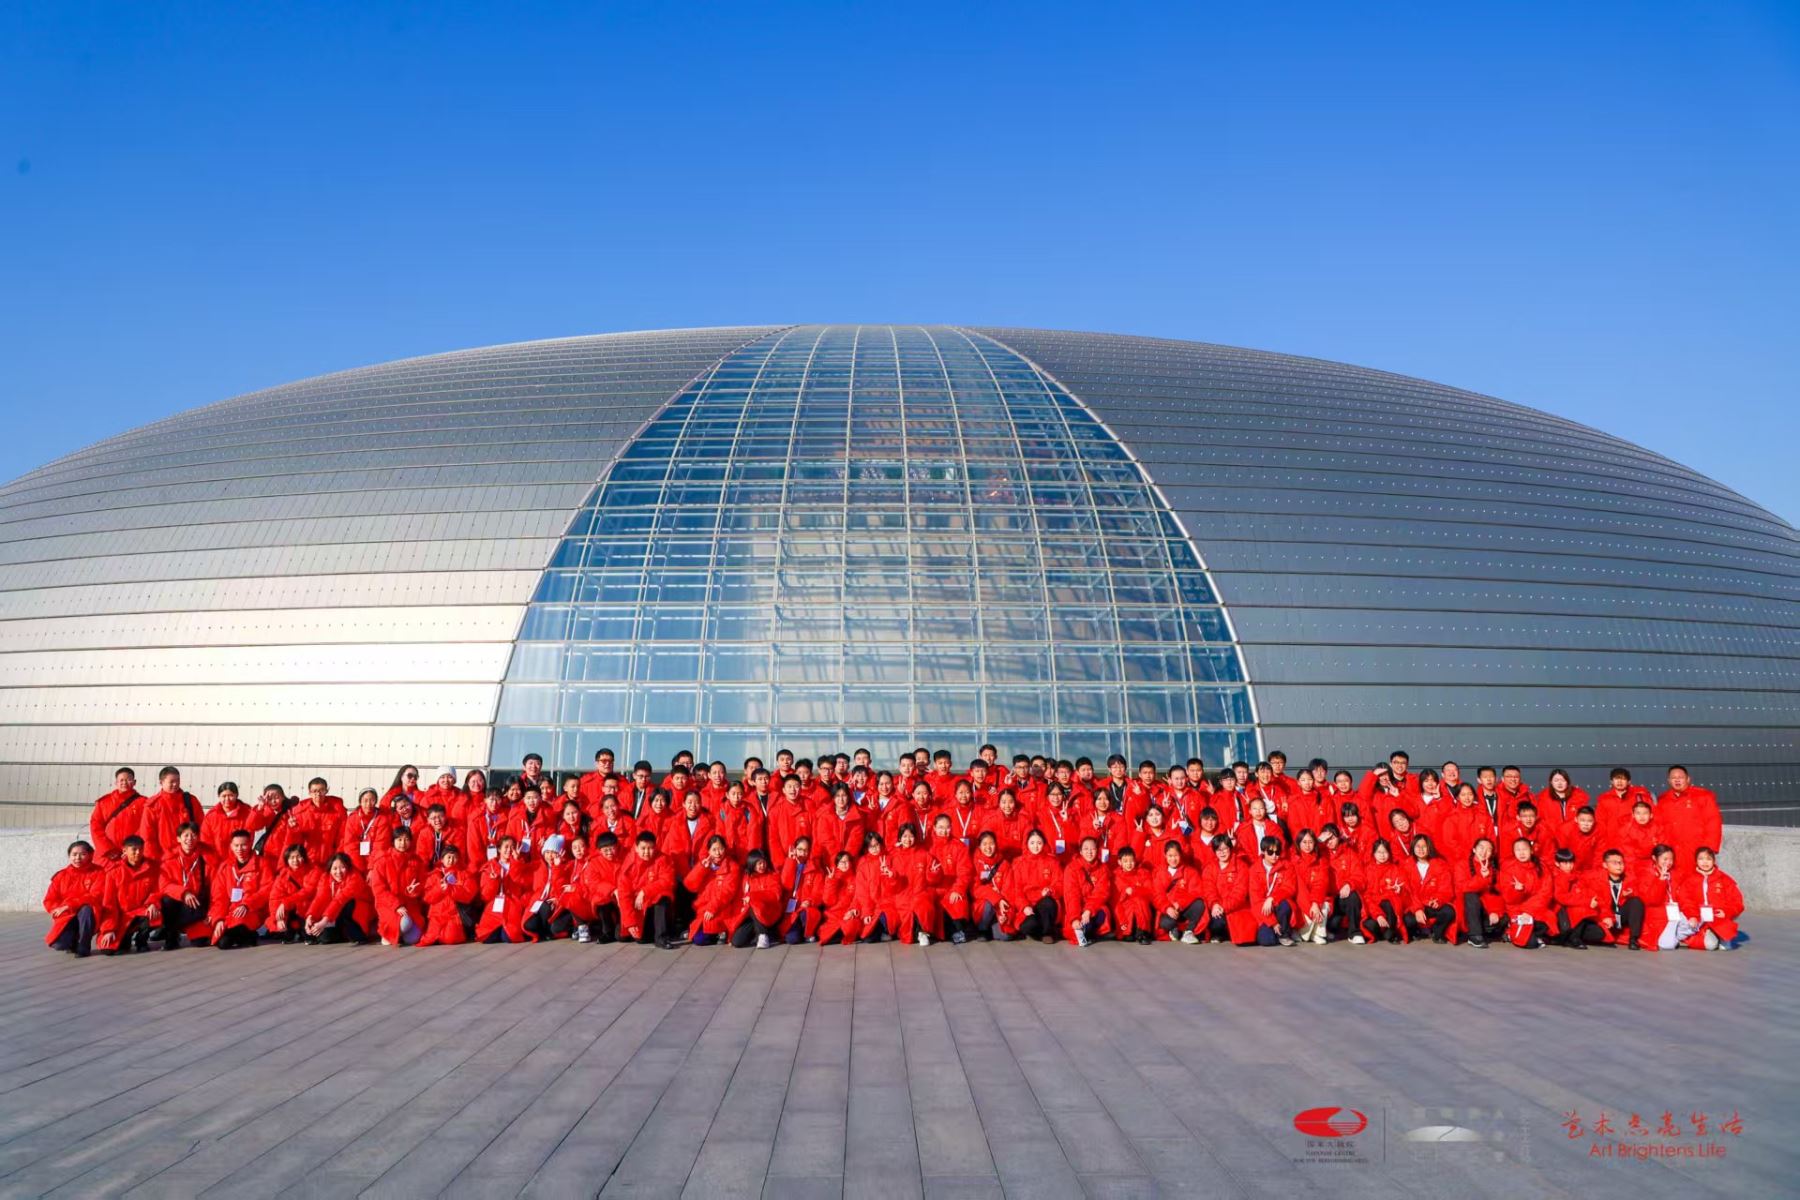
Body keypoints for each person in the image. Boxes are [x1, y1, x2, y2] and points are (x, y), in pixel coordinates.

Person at [94, 835, 160, 954]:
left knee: (156, 913)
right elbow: (109, 903)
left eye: (140, 849)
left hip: (142, 911)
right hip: (121, 917)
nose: (138, 853)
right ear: (124, 850)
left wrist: (153, 903)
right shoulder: (114, 872)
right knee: (108, 950)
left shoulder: (152, 868)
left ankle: (141, 941)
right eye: (134, 849)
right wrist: (108, 929)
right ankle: (126, 936)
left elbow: (157, 890)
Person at [210, 830, 272, 949]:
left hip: (251, 910)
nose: (240, 849)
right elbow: (219, 896)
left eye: (243, 845)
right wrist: (219, 919)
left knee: (225, 941)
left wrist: (247, 904)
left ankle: (246, 934)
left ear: (250, 844)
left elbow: (267, 890)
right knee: (219, 939)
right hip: (230, 912)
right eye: (236, 845)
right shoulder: (225, 867)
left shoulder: (261, 864)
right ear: (231, 846)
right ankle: (247, 936)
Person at [45, 840, 107, 956]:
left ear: (90, 855)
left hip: (89, 914)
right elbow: (50, 899)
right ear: (69, 856)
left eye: (82, 854)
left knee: (87, 909)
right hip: (67, 915)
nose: (78, 858)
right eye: (74, 854)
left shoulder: (99, 872)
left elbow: (95, 895)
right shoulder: (61, 875)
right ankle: (73, 942)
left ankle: (84, 945)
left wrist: (69, 905)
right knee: (59, 944)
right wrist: (57, 910)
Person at [156, 821, 212, 949]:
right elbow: (164, 885)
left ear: (198, 837)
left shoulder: (206, 858)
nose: (189, 839)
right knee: (166, 901)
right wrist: (184, 892)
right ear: (178, 839)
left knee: (200, 942)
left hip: (197, 905)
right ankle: (171, 935)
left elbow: (214, 887)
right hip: (179, 902)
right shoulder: (169, 859)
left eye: (193, 835)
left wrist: (212, 913)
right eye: (186, 835)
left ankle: (191, 927)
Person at [617, 831, 677, 948]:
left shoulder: (663, 859)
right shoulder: (629, 864)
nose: (646, 852)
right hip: (638, 907)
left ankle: (661, 938)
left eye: (650, 848)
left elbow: (668, 881)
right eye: (643, 848)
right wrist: (630, 922)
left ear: (655, 847)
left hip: (654, 903)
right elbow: (624, 895)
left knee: (663, 896)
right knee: (634, 937)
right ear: (636, 848)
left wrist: (645, 891)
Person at [1675, 847, 1743, 950]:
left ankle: (1718, 933)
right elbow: (1685, 900)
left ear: (1714, 861)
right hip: (1697, 916)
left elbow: (1737, 901)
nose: (1705, 862)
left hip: (1717, 918)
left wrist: (1727, 912)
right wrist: (1692, 915)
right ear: (1696, 861)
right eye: (1701, 859)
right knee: (1708, 944)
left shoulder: (1723, 879)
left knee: (1721, 946)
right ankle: (1705, 934)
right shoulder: (1690, 879)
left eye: (1708, 859)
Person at [1002, 830, 1064, 943]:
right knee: (1028, 925)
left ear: (1044, 843)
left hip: (1044, 901)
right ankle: (1039, 931)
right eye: (1032, 843)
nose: (1036, 846)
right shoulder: (1018, 863)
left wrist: (1051, 890)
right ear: (1027, 844)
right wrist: (1024, 906)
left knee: (1048, 903)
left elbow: (1059, 883)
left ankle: (1047, 933)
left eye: (1039, 843)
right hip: (1027, 903)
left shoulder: (1052, 861)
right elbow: (1017, 890)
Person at [370, 826, 428, 945]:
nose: (403, 843)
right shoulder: (383, 861)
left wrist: (415, 890)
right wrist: (396, 905)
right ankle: (387, 933)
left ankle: (396, 934)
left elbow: (422, 883)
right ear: (393, 841)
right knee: (405, 923)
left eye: (406, 839)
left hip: (410, 904)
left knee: (413, 939)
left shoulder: (416, 861)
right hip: (389, 905)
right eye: (399, 840)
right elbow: (379, 889)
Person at [1659, 766, 1722, 869]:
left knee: (1699, 877)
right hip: (1673, 852)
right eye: (1673, 778)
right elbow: (1659, 826)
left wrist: (1709, 849)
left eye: (1680, 777)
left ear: (1688, 779)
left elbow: (1713, 823)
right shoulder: (1663, 800)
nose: (1677, 780)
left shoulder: (1703, 796)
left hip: (1697, 850)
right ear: (1669, 781)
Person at [685, 835, 743, 946]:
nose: (718, 853)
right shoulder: (706, 865)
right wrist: (701, 868)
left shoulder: (732, 867)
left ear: (725, 849)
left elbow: (728, 892)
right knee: (698, 938)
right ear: (709, 851)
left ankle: (721, 932)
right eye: (714, 850)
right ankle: (715, 934)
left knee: (699, 939)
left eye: (720, 849)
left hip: (722, 910)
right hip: (704, 910)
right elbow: (690, 885)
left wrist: (712, 908)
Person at [1497, 838, 1554, 949]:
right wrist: (1518, 891)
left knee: (1549, 920)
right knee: (1529, 943)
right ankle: (1511, 930)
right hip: (1516, 909)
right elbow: (1508, 898)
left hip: (1536, 908)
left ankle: (1515, 931)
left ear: (1531, 850)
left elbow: (1546, 892)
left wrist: (1529, 911)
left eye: (1524, 849)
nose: (1521, 853)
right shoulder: (1508, 868)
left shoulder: (1542, 867)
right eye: (1518, 850)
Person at [305, 853, 374, 944]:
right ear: (330, 869)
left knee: (348, 903)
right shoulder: (325, 877)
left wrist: (324, 921)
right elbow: (319, 898)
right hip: (335, 914)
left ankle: (357, 935)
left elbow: (340, 899)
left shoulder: (355, 877)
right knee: (323, 937)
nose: (338, 872)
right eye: (335, 868)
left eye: (342, 867)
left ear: (348, 867)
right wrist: (310, 916)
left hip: (358, 914)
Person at [476, 836, 533, 944]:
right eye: (506, 847)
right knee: (486, 937)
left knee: (509, 937)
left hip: (513, 904)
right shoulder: (490, 867)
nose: (509, 850)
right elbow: (486, 896)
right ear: (499, 849)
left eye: (512, 847)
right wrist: (493, 881)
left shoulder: (520, 865)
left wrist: (516, 862)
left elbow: (524, 885)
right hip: (495, 904)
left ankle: (505, 930)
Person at [1151, 839, 1208, 943]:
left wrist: (1180, 904)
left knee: (1199, 904)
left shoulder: (1190, 872)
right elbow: (1157, 895)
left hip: (1185, 908)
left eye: (1176, 855)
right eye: (1170, 856)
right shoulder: (1160, 873)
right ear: (1165, 855)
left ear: (1181, 855)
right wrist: (1167, 908)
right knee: (1165, 923)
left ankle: (1189, 931)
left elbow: (1196, 892)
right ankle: (1175, 929)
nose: (1173, 859)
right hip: (1169, 910)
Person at [1205, 837, 1259, 945]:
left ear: (1230, 848)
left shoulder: (1241, 866)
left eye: (1225, 849)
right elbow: (1208, 889)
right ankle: (1219, 933)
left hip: (1235, 908)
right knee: (1215, 923)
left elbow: (1240, 893)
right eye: (1218, 850)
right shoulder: (1210, 868)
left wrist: (1223, 907)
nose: (1222, 853)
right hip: (1216, 908)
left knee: (1243, 933)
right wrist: (1214, 904)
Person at [1405, 834, 1457, 943]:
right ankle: (1416, 932)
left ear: (1429, 847)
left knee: (1449, 911)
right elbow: (1408, 892)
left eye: (1424, 846)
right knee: (1408, 920)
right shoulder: (1407, 865)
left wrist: (1438, 900)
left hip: (1431, 903)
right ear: (1413, 847)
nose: (1421, 849)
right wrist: (1417, 909)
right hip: (1415, 904)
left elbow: (1446, 889)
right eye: (1418, 846)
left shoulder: (1440, 865)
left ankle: (1437, 933)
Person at [1454, 837, 1504, 948]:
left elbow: (1497, 894)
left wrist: (1495, 911)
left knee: (1505, 917)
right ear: (1474, 849)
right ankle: (1474, 935)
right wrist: (1481, 877)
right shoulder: (1462, 865)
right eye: (1481, 847)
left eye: (1488, 849)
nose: (1484, 852)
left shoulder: (1493, 870)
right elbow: (1463, 888)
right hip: (1467, 909)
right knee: (1471, 895)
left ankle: (1487, 930)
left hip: (1486, 909)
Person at [1548, 849, 1604, 949]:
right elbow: (1561, 897)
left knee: (1598, 933)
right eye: (1565, 863)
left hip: (1572, 908)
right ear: (1557, 863)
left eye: (1571, 863)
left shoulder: (1575, 876)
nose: (1569, 866)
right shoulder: (1557, 877)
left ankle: (1573, 936)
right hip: (1559, 910)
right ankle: (1573, 938)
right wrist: (1586, 901)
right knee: (1581, 911)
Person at [1063, 837, 1113, 947]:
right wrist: (1074, 918)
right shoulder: (1071, 868)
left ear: (1097, 851)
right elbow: (1071, 895)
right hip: (1077, 907)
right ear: (1080, 851)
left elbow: (1101, 893)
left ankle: (1091, 931)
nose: (1089, 852)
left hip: (1093, 908)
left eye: (1093, 849)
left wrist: (1088, 910)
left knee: (1103, 912)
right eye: (1086, 849)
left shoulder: (1103, 869)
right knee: (1076, 930)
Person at [1248, 836, 1297, 947]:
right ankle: (1278, 931)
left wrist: (1272, 898)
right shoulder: (1254, 870)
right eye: (1270, 852)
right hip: (1262, 910)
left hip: (1278, 905)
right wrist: (1273, 922)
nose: (1275, 856)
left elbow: (1289, 888)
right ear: (1263, 852)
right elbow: (1256, 900)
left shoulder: (1287, 866)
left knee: (1285, 905)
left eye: (1277, 852)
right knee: (1267, 940)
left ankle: (1284, 934)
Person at [1594, 849, 1648, 950]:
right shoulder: (1597, 880)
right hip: (1605, 918)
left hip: (1620, 916)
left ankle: (1633, 939)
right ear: (1605, 865)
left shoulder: (1629, 879)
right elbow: (1598, 902)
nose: (1619, 865)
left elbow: (1642, 896)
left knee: (1636, 901)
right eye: (1615, 863)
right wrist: (1604, 917)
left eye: (1621, 862)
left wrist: (1630, 894)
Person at [266, 844, 320, 944]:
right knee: (281, 930)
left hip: (310, 909)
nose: (295, 860)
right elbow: (275, 898)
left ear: (304, 857)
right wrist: (278, 919)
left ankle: (301, 931)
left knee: (312, 935)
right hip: (292, 910)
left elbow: (309, 891)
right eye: (291, 858)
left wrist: (286, 902)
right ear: (287, 860)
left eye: (298, 856)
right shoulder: (283, 876)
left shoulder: (314, 870)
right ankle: (293, 931)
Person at [1360, 838, 1410, 945]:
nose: (1382, 855)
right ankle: (1386, 931)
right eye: (1379, 852)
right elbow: (1366, 896)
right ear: (1374, 853)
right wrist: (1378, 914)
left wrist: (1400, 891)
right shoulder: (1368, 870)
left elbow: (1406, 891)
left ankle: (1390, 932)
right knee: (1370, 925)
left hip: (1391, 908)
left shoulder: (1395, 869)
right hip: (1373, 908)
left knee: (1389, 901)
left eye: (1385, 852)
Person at [730, 850, 785, 948]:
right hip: (751, 916)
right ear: (752, 863)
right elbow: (742, 897)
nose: (762, 866)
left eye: (764, 862)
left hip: (769, 912)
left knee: (754, 903)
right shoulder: (747, 878)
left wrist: (753, 896)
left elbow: (776, 894)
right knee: (736, 941)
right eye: (759, 863)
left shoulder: (772, 875)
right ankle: (760, 934)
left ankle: (763, 934)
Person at [88, 769, 145, 863]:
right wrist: (107, 849)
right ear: (116, 782)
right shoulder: (104, 802)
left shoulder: (144, 803)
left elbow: (145, 827)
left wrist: (131, 849)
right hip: (107, 855)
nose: (124, 783)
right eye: (121, 780)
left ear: (134, 782)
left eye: (128, 780)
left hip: (132, 854)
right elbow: (96, 826)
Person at [1290, 830, 1334, 944]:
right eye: (1304, 842)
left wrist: (1315, 903)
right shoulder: (1293, 860)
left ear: (1315, 843)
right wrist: (1310, 906)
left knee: (1324, 906)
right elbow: (1299, 889)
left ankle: (1318, 934)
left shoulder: (1321, 861)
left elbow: (1321, 884)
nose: (1307, 845)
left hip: (1316, 897)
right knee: (1309, 918)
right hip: (1299, 899)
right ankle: (1309, 933)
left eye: (1310, 842)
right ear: (1298, 843)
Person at [1110, 846, 1155, 944]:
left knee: (1140, 901)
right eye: (1125, 861)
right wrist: (1124, 892)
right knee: (1129, 906)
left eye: (1131, 861)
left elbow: (1150, 891)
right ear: (1119, 862)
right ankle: (1128, 932)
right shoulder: (1116, 877)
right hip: (1125, 912)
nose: (1129, 864)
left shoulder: (1143, 873)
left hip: (1141, 909)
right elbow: (1115, 901)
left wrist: (1134, 890)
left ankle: (1143, 932)